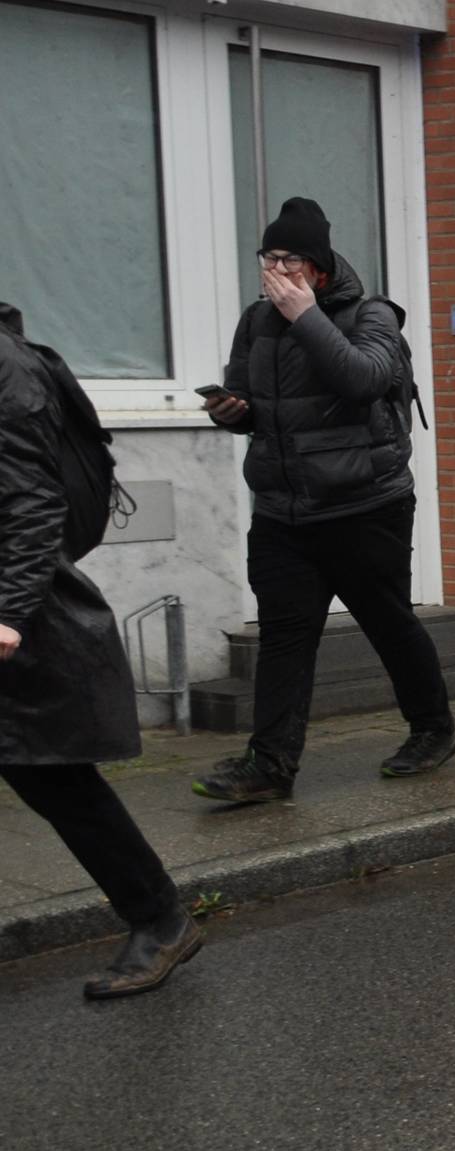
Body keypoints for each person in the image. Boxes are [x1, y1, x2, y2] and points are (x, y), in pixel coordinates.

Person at [192, 198, 454, 804]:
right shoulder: (256, 322)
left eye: (291, 259)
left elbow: (363, 380)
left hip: (365, 503)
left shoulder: (373, 314)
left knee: (387, 622)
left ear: (320, 265)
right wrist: (232, 413)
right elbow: (250, 399)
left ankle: (433, 729)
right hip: (283, 509)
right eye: (269, 257)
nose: (277, 270)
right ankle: (270, 764)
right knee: (285, 635)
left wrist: (307, 317)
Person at [0, 302, 204, 999]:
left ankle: (161, 919)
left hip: (16, 613)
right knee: (47, 777)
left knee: (55, 778)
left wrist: (7, 615)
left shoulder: (7, 369)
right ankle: (161, 917)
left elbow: (31, 502)